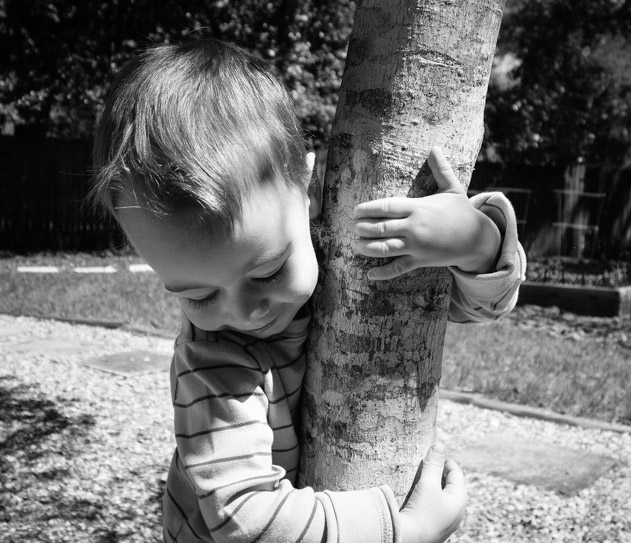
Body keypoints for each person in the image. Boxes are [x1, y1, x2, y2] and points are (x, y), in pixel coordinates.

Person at [90, 39, 526, 543]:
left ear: (308, 187)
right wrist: (401, 534)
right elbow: (246, 522)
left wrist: (474, 241)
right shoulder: (212, 364)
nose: (245, 312)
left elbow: (476, 305)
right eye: (198, 296)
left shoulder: (336, 247)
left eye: (268, 272)